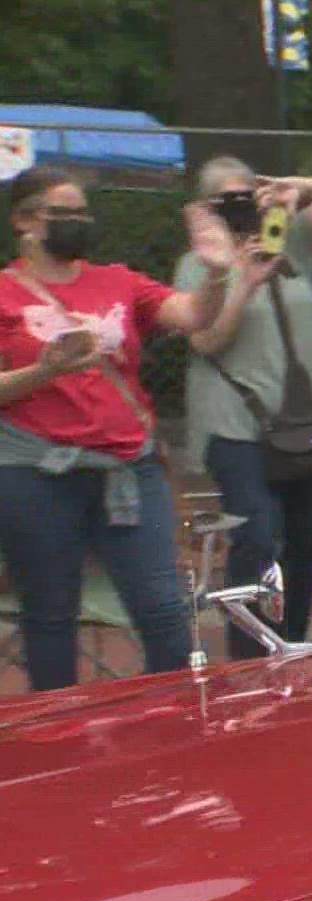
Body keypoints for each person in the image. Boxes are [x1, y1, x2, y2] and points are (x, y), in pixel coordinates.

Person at [0, 166, 238, 690]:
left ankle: (168, 728)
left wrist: (218, 271)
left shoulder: (119, 281)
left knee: (164, 612)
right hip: (36, 476)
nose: (78, 223)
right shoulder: (5, 293)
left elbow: (195, 316)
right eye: (64, 213)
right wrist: (46, 370)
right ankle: (59, 738)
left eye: (83, 213)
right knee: (50, 616)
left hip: (127, 469)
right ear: (25, 221)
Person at [174, 157, 312, 649]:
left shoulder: (288, 242)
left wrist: (298, 186)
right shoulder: (199, 265)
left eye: (248, 197)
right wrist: (243, 283)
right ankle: (250, 656)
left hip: (306, 424)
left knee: (311, 539)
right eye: (229, 201)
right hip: (236, 426)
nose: (242, 209)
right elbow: (206, 341)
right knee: (256, 538)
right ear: (209, 208)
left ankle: (290, 645)